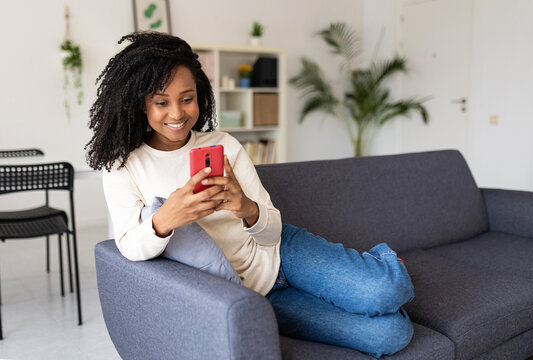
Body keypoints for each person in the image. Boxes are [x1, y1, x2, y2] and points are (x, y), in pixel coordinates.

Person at [86, 32, 415, 358]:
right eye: (161, 102)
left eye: (187, 98)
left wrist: (245, 207)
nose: (177, 113)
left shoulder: (224, 145)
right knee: (393, 334)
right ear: (140, 103)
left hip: (283, 251)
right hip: (254, 297)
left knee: (387, 290)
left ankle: (381, 261)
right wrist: (165, 220)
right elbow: (127, 245)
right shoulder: (124, 166)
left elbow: (271, 230)